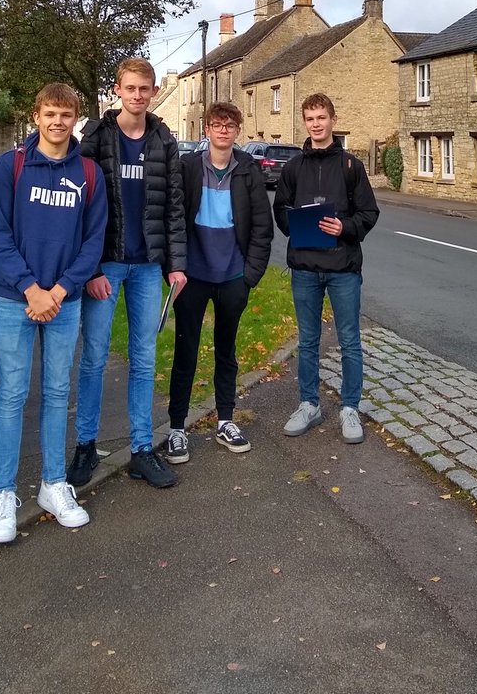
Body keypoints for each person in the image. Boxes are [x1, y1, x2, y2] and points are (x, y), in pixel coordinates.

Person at [0, 83, 107, 544]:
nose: (58, 122)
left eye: (66, 114)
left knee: (58, 392)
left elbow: (92, 242)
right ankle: (2, 494)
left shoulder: (89, 174)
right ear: (36, 116)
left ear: (76, 119)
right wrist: (32, 289)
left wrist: (57, 290)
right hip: (15, 300)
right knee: (12, 396)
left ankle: (54, 485)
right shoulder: (10, 167)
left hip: (64, 301)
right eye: (50, 113)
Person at [68, 58, 187, 490]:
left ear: (154, 91)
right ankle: (85, 445)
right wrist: (93, 267)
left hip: (148, 266)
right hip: (107, 266)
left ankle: (141, 449)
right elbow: (78, 205)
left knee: (143, 359)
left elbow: (174, 206)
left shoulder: (163, 140)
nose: (138, 95)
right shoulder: (97, 138)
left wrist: (176, 265)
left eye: (145, 89)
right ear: (118, 89)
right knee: (95, 357)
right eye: (130, 88)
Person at [166, 102, 273, 464]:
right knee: (186, 350)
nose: (223, 131)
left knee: (226, 352)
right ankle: (177, 427)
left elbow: (262, 227)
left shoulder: (249, 171)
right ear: (207, 130)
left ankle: (225, 419)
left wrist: (250, 276)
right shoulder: (188, 168)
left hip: (232, 277)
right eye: (217, 125)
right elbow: (175, 219)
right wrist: (175, 265)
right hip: (193, 275)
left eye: (230, 125)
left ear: (237, 130)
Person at [273, 93, 379, 444]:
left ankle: (350, 407)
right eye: (310, 118)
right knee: (308, 341)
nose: (316, 124)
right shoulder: (293, 167)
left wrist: (344, 228)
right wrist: (295, 221)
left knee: (349, 340)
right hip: (304, 266)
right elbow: (281, 210)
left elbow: (369, 213)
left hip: (343, 267)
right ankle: (309, 404)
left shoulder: (351, 167)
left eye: (321, 117)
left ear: (333, 119)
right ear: (304, 122)